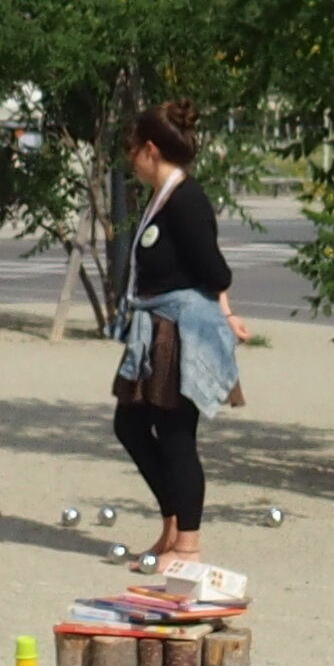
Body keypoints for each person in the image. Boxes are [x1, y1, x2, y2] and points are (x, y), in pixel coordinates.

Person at [113, 107, 240, 566]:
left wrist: (222, 310)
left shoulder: (187, 200)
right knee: (128, 423)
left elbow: (213, 268)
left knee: (175, 434)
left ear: (150, 150)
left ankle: (188, 544)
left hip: (182, 332)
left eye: (132, 152)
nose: (130, 161)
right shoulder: (160, 196)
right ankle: (171, 524)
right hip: (155, 328)